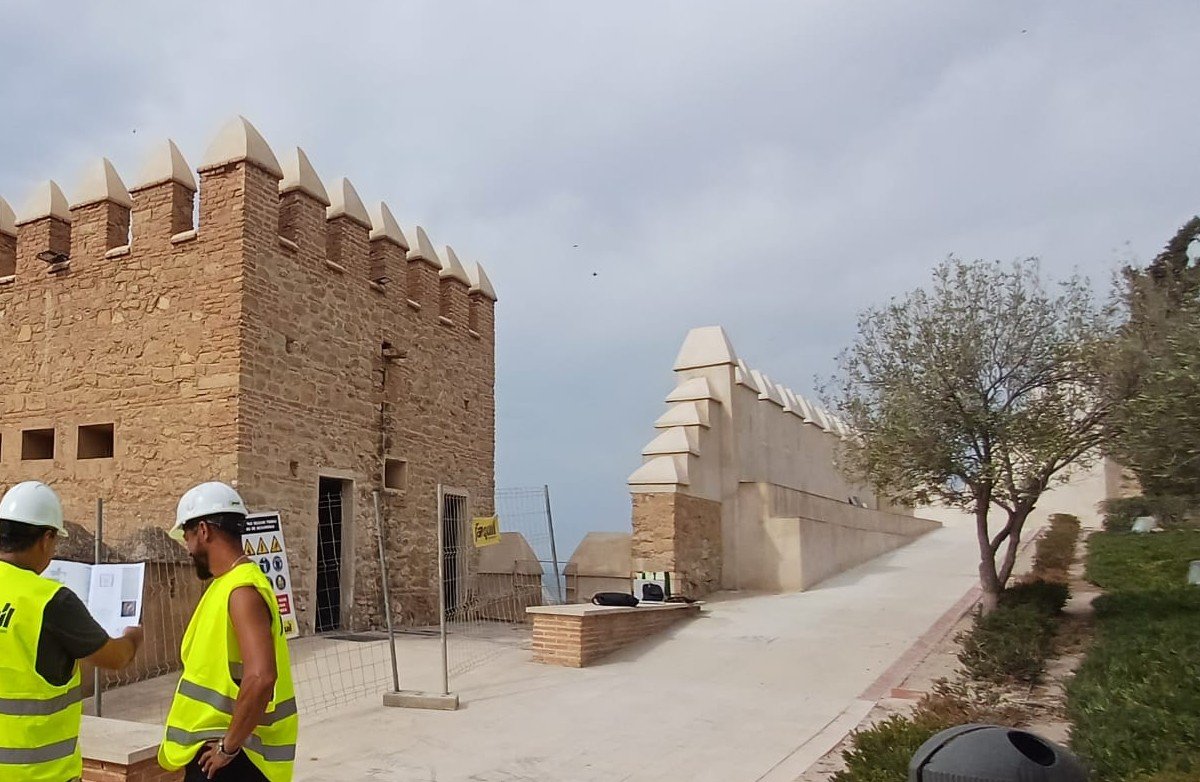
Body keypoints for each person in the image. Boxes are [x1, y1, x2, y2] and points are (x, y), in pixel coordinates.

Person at [0, 481, 144, 781]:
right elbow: (115, 658)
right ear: (46, 538)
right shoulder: (49, 600)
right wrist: (132, 637)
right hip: (39, 774)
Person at [158, 482, 297, 781]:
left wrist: (227, 747)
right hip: (220, 753)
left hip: (233, 760)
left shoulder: (242, 590)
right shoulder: (226, 585)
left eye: (187, 535)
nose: (187, 547)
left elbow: (261, 678)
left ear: (204, 531)